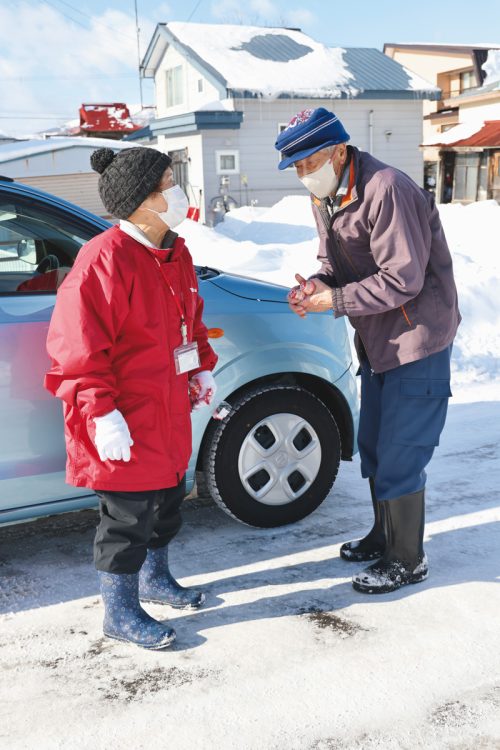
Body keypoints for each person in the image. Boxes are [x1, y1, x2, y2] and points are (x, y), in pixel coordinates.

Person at [275, 108, 460, 594]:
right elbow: (331, 261)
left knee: (402, 453)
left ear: (339, 150)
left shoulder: (388, 190)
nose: (303, 174)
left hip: (415, 338)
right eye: (295, 167)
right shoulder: (328, 196)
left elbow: (403, 278)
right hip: (376, 339)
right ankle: (384, 535)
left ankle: (408, 558)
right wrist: (317, 284)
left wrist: (332, 300)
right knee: (375, 447)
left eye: (308, 162)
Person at [44, 146, 218, 648]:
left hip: (166, 412)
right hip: (123, 416)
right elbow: (76, 348)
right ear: (142, 200)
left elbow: (190, 320)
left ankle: (154, 579)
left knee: (166, 504)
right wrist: (100, 413)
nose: (175, 188)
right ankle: (118, 613)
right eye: (167, 181)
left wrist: (199, 368)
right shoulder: (104, 259)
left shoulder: (174, 251)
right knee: (126, 519)